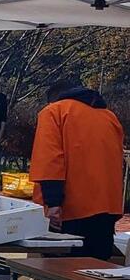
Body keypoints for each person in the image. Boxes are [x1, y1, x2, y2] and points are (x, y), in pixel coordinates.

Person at [30, 79, 124, 261]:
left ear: (53, 99)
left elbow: (50, 160)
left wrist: (53, 203)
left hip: (72, 209)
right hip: (107, 208)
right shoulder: (109, 117)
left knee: (61, 273)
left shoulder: (54, 112)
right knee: (96, 273)